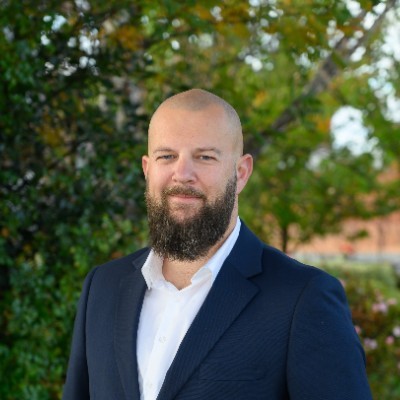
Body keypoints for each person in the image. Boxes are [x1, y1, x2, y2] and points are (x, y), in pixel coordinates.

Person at [62, 89, 372, 400]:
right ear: (147, 168)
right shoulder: (103, 287)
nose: (182, 174)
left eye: (205, 157)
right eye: (166, 156)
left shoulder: (303, 299)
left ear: (241, 173)